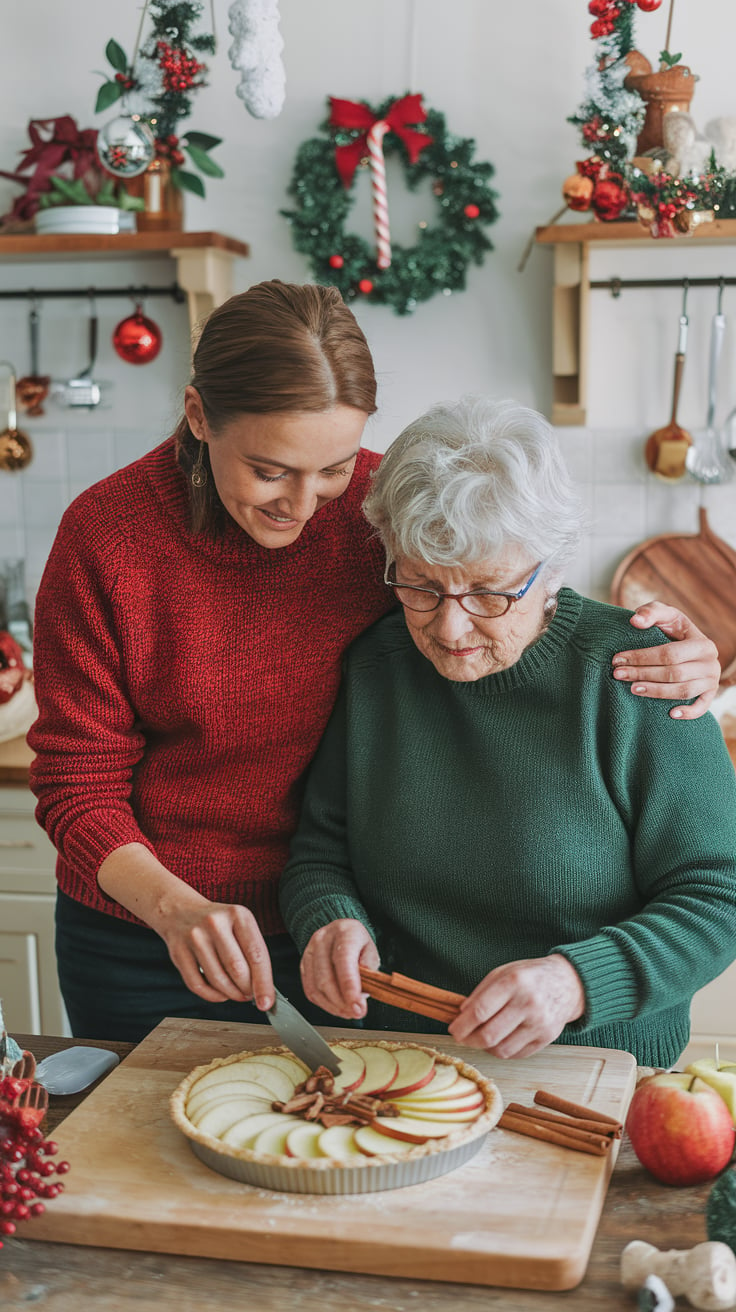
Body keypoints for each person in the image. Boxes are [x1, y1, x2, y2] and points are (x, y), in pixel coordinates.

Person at [27, 284, 722, 1044]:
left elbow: (502, 565)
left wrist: (654, 642)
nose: (304, 504)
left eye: (331, 467)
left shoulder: (380, 508)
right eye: (270, 471)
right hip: (148, 926)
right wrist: (172, 906)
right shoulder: (109, 538)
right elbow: (75, 777)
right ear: (199, 417)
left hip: (323, 949)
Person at [279, 397, 736, 1069]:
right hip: (400, 1061)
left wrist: (577, 981)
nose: (449, 629)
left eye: (490, 594)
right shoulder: (376, 668)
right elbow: (321, 849)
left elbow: (719, 894)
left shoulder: (639, 673)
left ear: (550, 570)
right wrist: (329, 919)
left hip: (595, 1069)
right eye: (421, 587)